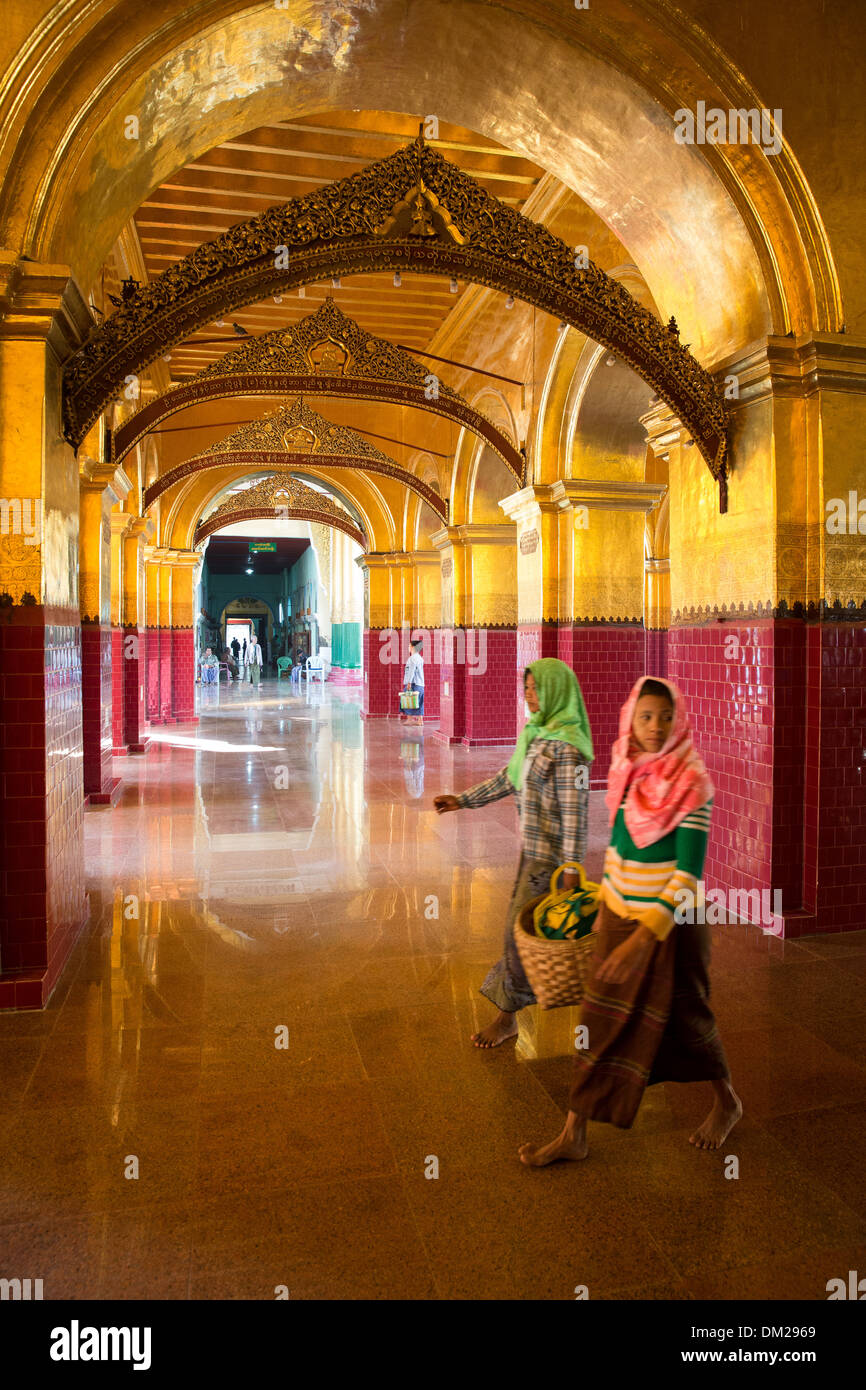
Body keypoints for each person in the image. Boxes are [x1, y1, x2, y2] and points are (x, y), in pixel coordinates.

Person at [518, 676, 742, 1166]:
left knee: (687, 1022)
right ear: (631, 721)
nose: (656, 727)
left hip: (673, 930)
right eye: (645, 717)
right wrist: (605, 906)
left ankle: (727, 1102)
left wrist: (643, 940)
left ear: (679, 719)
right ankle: (574, 1132)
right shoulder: (628, 770)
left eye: (666, 717)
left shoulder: (692, 782)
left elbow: (687, 876)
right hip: (621, 920)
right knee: (598, 1021)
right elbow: (618, 849)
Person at [435, 658, 593, 1048]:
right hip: (533, 853)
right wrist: (462, 801)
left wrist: (571, 868)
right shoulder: (536, 734)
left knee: (516, 936)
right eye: (526, 687)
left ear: (557, 690)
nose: (528, 694)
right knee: (527, 934)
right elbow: (509, 778)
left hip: (551, 862)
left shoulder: (569, 749)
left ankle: (507, 1018)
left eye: (535, 687)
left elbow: (576, 814)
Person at [401, 636, 425, 727]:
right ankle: (420, 720)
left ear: (413, 647)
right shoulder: (419, 658)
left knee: (408, 699)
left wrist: (409, 683)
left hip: (414, 683)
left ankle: (410, 719)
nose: (408, 647)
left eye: (409, 646)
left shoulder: (412, 659)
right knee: (420, 701)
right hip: (420, 683)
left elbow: (411, 671)